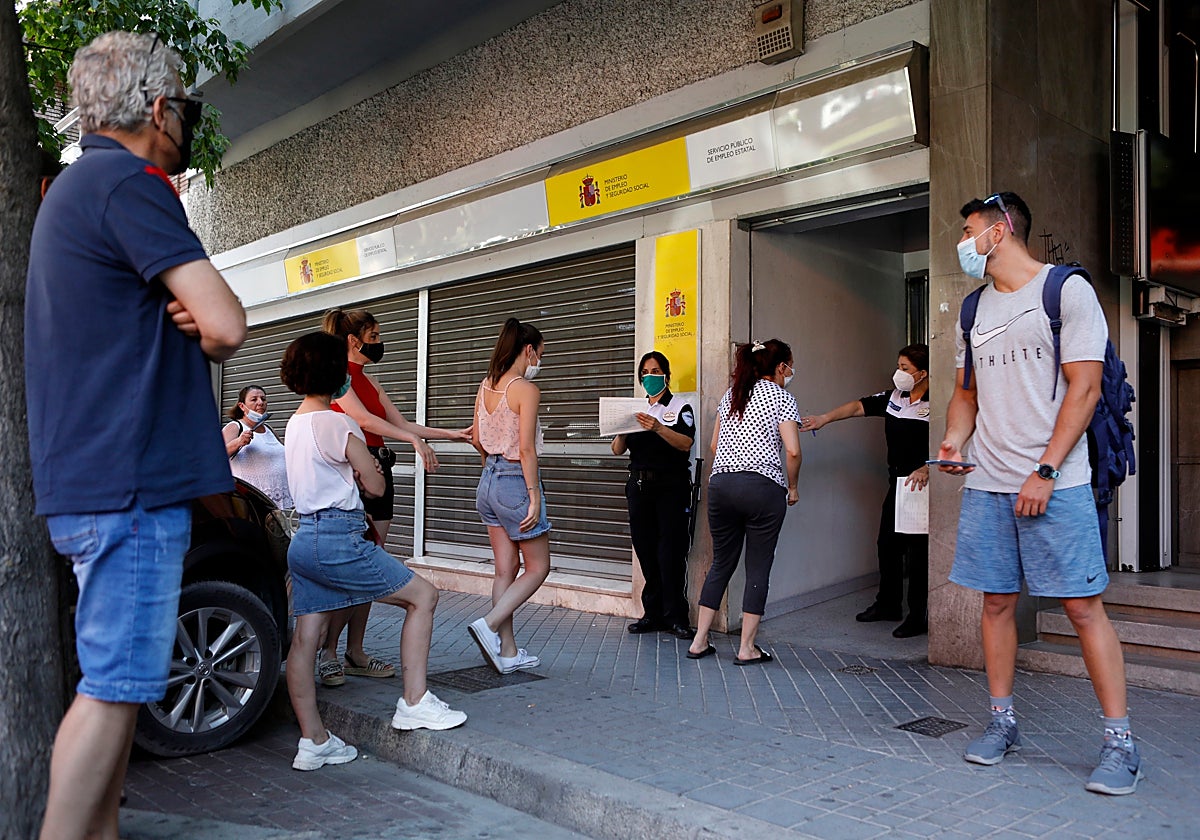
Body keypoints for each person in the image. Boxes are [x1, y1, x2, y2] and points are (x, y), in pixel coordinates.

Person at [24, 31, 247, 839]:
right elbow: (226, 322)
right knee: (116, 686)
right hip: (130, 484)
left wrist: (187, 315)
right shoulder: (128, 183)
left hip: (97, 481)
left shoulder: (78, 191)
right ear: (158, 108)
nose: (185, 118)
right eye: (183, 104)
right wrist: (202, 322)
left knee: (110, 685)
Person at [938, 192, 1141, 795]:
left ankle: (1120, 743)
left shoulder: (1065, 291)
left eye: (970, 230)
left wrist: (1046, 470)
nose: (965, 243)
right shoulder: (972, 311)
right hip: (990, 486)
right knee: (996, 605)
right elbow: (966, 394)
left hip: (1059, 484)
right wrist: (953, 442)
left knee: (1081, 609)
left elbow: (1084, 388)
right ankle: (1002, 723)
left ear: (999, 232)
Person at [280, 332, 466, 771]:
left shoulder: (292, 423)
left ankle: (314, 741)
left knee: (306, 639)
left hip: (304, 539)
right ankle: (415, 701)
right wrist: (371, 467)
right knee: (423, 596)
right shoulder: (338, 423)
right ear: (335, 373)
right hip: (341, 536)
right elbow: (376, 484)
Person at [316, 308, 470, 687]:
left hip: (381, 475)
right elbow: (366, 422)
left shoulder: (370, 381)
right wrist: (412, 440)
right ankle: (329, 651)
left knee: (372, 565)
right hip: (355, 477)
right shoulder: (339, 380)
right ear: (355, 341)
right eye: (375, 334)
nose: (379, 342)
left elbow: (400, 425)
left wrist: (451, 435)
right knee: (352, 568)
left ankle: (355, 651)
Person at [801, 344, 930, 638]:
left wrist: (927, 468)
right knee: (887, 546)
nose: (899, 373)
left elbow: (952, 439)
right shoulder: (894, 397)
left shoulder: (938, 403)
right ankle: (888, 604)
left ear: (922, 373)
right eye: (898, 366)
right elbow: (858, 406)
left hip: (920, 486)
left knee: (919, 554)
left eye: (906, 369)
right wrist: (824, 418)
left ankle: (917, 615)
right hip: (896, 482)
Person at [687, 340, 801, 664]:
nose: (792, 372)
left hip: (722, 484)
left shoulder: (732, 395)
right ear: (781, 367)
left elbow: (712, 445)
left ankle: (699, 641)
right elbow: (792, 451)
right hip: (763, 488)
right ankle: (746, 648)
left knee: (721, 563)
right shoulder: (783, 398)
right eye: (790, 365)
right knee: (758, 567)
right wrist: (792, 487)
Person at [466, 319, 552, 674]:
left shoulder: (486, 385)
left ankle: (508, 650)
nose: (539, 362)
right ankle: (488, 625)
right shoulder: (525, 390)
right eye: (540, 354)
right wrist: (532, 494)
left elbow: (475, 439)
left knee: (505, 569)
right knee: (538, 567)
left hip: (488, 482)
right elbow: (527, 449)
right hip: (516, 481)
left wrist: (492, 469)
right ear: (528, 350)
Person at [611, 351, 696, 639]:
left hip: (670, 488)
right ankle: (653, 613)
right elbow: (617, 449)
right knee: (646, 550)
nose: (650, 377)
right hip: (639, 487)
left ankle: (676, 616)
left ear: (666, 375)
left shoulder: (679, 407)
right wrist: (622, 427)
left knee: (670, 552)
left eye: (656, 371)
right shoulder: (636, 409)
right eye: (645, 372)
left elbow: (685, 444)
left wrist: (658, 428)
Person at [223, 385, 294, 509]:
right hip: (251, 503)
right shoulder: (235, 427)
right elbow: (214, 458)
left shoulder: (269, 430)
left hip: (277, 502)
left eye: (263, 399)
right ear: (241, 406)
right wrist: (238, 442)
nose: (260, 403)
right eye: (254, 399)